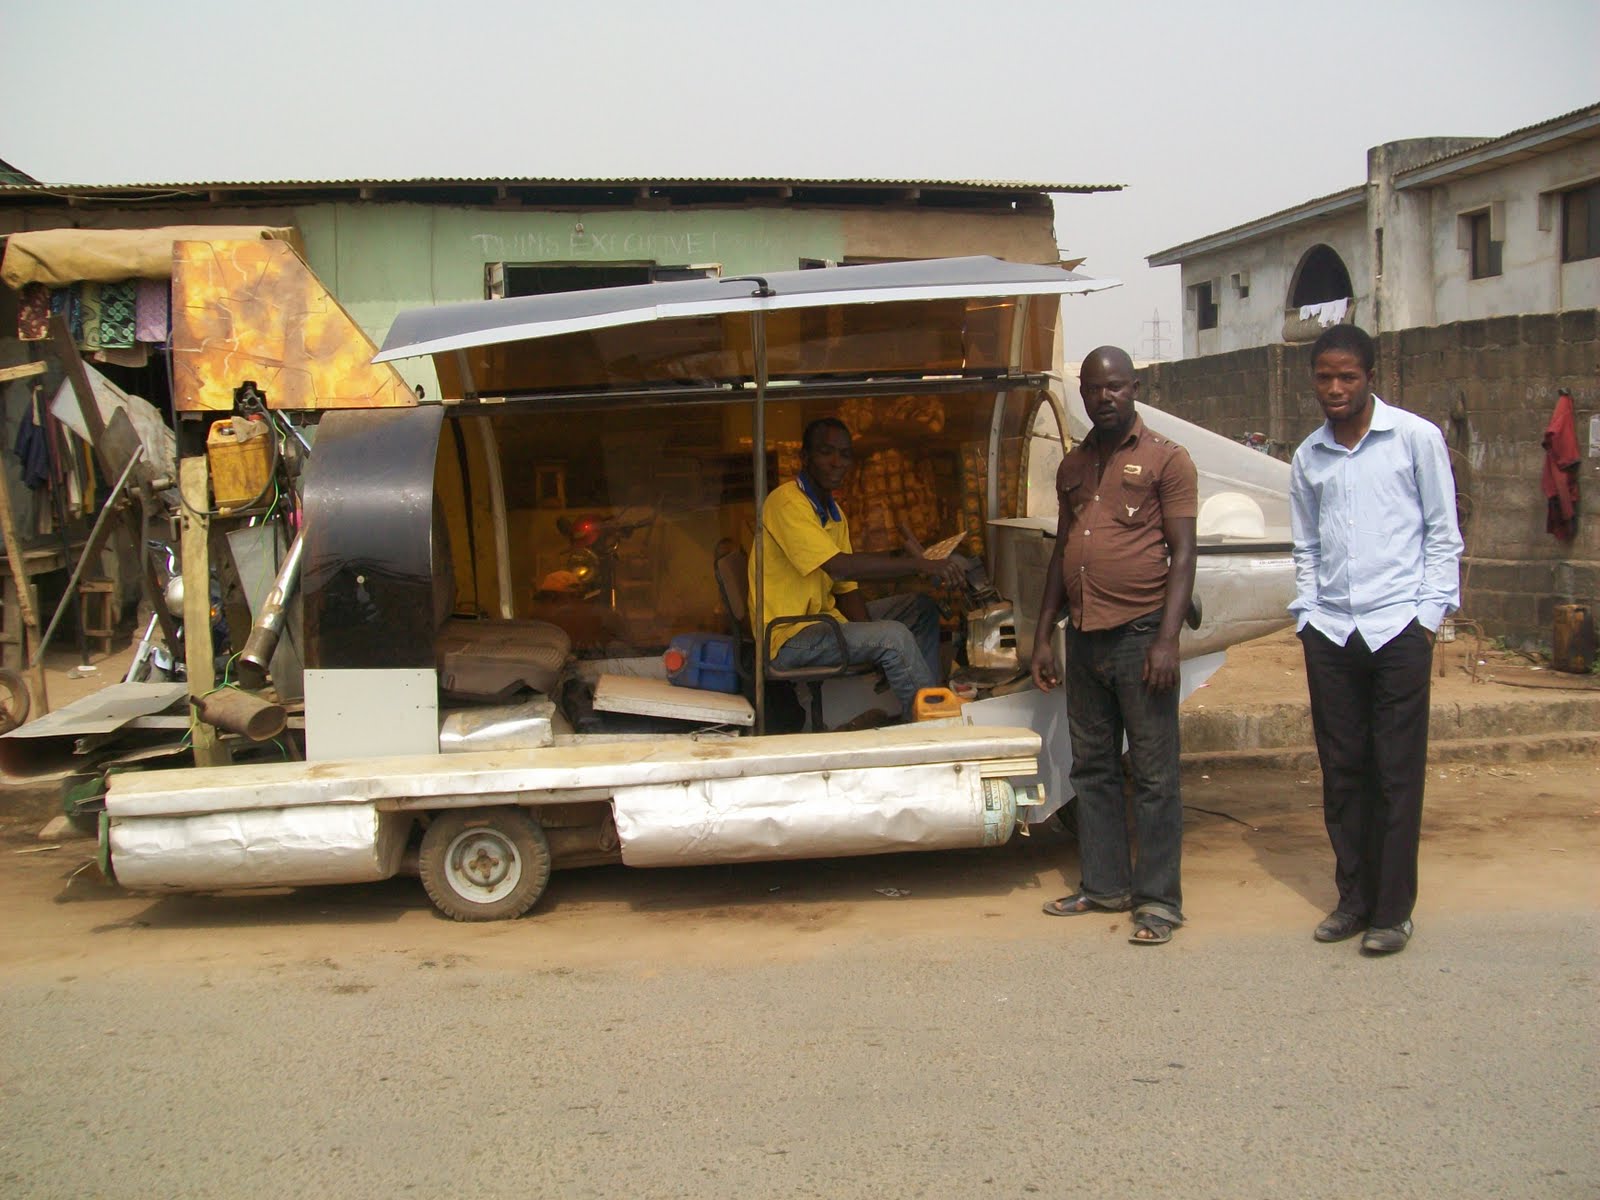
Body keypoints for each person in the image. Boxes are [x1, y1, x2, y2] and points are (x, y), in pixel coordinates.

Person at [1290, 324, 1463, 956]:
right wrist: (1307, 614)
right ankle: (1353, 900)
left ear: (1370, 376)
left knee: (1395, 772)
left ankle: (1393, 911)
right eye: (1324, 378)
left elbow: (1443, 535)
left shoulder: (1415, 439)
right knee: (1343, 772)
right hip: (1332, 630)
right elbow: (1305, 545)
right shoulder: (1309, 456)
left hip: (1398, 630)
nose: (1335, 389)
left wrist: (1427, 619)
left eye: (1347, 377)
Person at [1031, 346, 1198, 946]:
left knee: (1154, 775)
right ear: (1083, 393)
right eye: (1095, 389)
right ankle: (1104, 886)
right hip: (1084, 637)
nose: (1105, 398)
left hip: (1140, 635)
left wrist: (1167, 639)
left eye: (1117, 387)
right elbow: (1062, 551)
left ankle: (1158, 902)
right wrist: (1044, 633)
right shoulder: (1072, 468)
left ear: (1135, 388)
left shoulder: (1167, 461)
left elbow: (1184, 556)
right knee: (1093, 767)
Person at [753, 417, 966, 722]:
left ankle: (923, 705)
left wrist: (868, 637)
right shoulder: (787, 503)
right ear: (805, 458)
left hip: (824, 624)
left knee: (920, 608)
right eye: (826, 452)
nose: (837, 462)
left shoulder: (832, 512)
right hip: (789, 637)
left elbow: (847, 588)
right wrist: (919, 564)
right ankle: (933, 727)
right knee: (893, 636)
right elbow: (840, 567)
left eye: (844, 454)